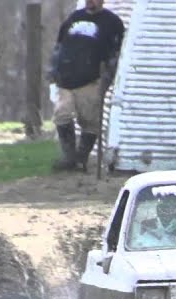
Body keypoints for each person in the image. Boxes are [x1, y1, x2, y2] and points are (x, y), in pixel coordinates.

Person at [49, 0, 125, 173]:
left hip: (91, 80)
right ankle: (69, 158)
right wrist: (53, 71)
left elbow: (115, 53)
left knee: (89, 121)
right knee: (62, 114)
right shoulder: (74, 18)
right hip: (65, 78)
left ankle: (81, 158)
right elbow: (59, 47)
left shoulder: (112, 22)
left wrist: (107, 78)